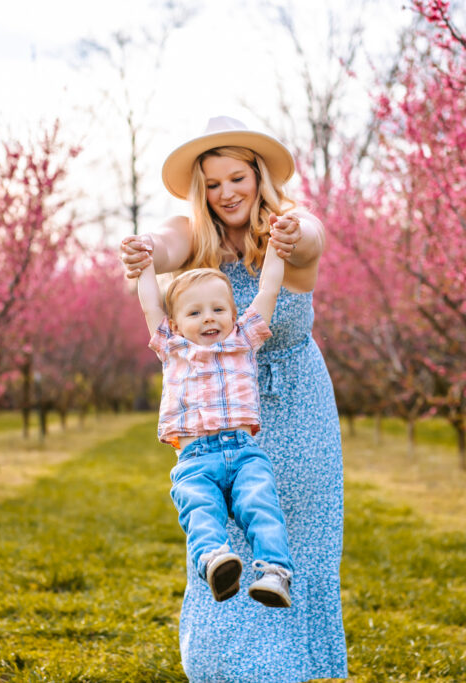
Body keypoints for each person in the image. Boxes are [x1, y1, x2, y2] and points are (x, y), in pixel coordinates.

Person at [120, 115, 347, 682]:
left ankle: (299, 672)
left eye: (237, 178)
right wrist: (146, 248)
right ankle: (227, 670)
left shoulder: (289, 229)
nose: (226, 193)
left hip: (297, 409)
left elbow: (312, 232)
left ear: (258, 176)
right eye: (213, 184)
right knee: (221, 547)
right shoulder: (194, 235)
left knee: (296, 551)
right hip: (215, 417)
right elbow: (167, 245)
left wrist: (293, 235)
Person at [137, 244, 294, 608]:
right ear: (175, 324)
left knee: (261, 504)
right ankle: (215, 563)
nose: (209, 318)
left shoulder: (243, 340)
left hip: (244, 453)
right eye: (195, 312)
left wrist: (277, 249)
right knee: (199, 509)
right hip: (194, 460)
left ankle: (274, 573)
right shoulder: (172, 346)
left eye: (218, 310)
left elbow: (268, 289)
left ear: (234, 315)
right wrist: (144, 264)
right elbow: (149, 305)